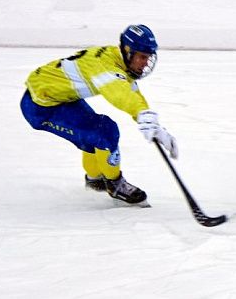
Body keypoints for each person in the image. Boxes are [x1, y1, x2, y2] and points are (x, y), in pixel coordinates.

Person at [20, 24, 178, 207]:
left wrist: (154, 125)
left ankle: (94, 180)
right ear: (128, 52)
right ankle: (115, 184)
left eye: (149, 57)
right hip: (41, 107)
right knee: (105, 131)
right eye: (142, 57)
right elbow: (120, 94)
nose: (145, 63)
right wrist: (142, 114)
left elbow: (132, 93)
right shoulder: (106, 69)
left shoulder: (116, 59)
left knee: (94, 134)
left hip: (61, 98)